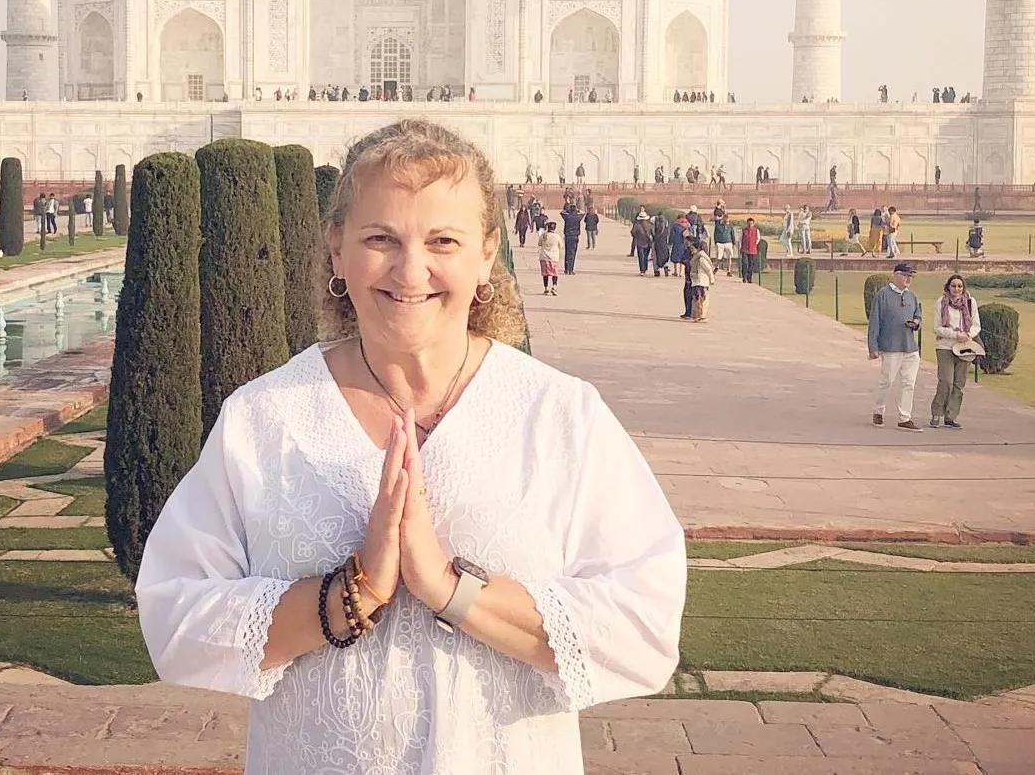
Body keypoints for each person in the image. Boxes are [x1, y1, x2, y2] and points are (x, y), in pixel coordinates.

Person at [135, 121, 685, 773]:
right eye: (380, 238)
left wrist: (449, 588)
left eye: (442, 241)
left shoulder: (557, 416)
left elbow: (645, 626)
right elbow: (176, 618)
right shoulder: (267, 417)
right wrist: (352, 592)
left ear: (487, 255)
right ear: (337, 251)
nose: (411, 269)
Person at [868, 261, 924, 430]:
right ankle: (879, 410)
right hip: (891, 345)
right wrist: (873, 346)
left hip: (910, 346)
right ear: (896, 275)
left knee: (909, 383)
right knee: (887, 380)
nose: (909, 279)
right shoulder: (883, 295)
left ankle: (904, 417)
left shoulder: (912, 296)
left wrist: (916, 323)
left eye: (911, 276)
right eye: (906, 275)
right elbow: (875, 320)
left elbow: (918, 315)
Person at [930, 273, 982, 429]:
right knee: (946, 381)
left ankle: (950, 416)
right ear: (948, 287)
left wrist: (967, 334)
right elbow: (937, 328)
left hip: (965, 347)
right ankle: (937, 413)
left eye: (959, 286)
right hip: (945, 346)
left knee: (959, 384)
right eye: (953, 286)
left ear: (963, 287)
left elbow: (976, 325)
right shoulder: (941, 302)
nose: (956, 289)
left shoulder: (970, 303)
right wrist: (955, 334)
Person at [688, 237, 715, 322]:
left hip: (702, 282)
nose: (691, 250)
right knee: (696, 299)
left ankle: (702, 316)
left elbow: (708, 270)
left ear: (698, 249)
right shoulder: (695, 258)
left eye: (692, 248)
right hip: (696, 282)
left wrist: (712, 279)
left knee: (702, 299)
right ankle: (697, 315)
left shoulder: (701, 259)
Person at [559, 202, 584, 276]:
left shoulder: (567, 216)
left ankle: (566, 269)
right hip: (575, 235)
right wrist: (577, 210)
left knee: (567, 252)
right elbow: (583, 212)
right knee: (573, 253)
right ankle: (571, 269)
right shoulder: (578, 217)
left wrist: (567, 210)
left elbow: (562, 212)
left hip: (568, 235)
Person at [631, 210, 655, 274]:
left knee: (641, 257)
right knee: (646, 257)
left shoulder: (637, 225)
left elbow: (633, 232)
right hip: (648, 242)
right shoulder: (650, 225)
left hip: (640, 242)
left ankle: (642, 270)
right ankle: (645, 268)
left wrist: (636, 237)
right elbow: (653, 233)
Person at [739, 217, 760, 283]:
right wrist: (740, 247)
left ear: (753, 224)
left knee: (751, 264)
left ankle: (749, 277)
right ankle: (744, 277)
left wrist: (754, 244)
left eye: (751, 223)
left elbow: (758, 239)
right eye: (749, 223)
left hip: (752, 249)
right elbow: (740, 239)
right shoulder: (743, 230)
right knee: (745, 263)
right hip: (745, 249)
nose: (750, 225)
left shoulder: (756, 230)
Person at [651, 211, 671, 277]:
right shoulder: (666, 222)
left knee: (655, 256)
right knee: (664, 255)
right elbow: (668, 233)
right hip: (664, 241)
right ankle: (665, 266)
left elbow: (653, 231)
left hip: (656, 241)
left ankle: (656, 271)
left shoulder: (655, 221)